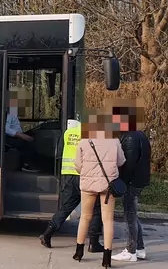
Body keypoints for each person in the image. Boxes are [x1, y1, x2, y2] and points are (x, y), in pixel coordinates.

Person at [38, 122, 104, 252]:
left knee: (66, 207)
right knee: (96, 209)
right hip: (85, 175)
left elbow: (59, 152)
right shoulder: (92, 136)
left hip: (68, 176)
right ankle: (94, 243)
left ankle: (47, 234)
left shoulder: (68, 133)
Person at [72, 113, 126, 268]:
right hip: (108, 186)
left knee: (85, 217)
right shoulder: (114, 141)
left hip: (88, 185)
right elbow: (121, 161)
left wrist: (87, 172)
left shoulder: (84, 141)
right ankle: (107, 259)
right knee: (108, 220)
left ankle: (79, 251)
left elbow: (78, 165)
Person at [111, 107, 151, 262]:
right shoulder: (140, 134)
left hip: (131, 182)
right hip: (139, 180)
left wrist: (121, 181)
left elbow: (129, 163)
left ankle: (130, 250)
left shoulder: (128, 137)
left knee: (129, 216)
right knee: (133, 214)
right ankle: (139, 248)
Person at [5, 90, 40, 172]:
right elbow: (6, 129)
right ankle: (26, 164)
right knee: (26, 143)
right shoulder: (8, 113)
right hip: (9, 137)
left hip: (16, 135)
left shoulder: (13, 111)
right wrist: (22, 136)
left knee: (34, 136)